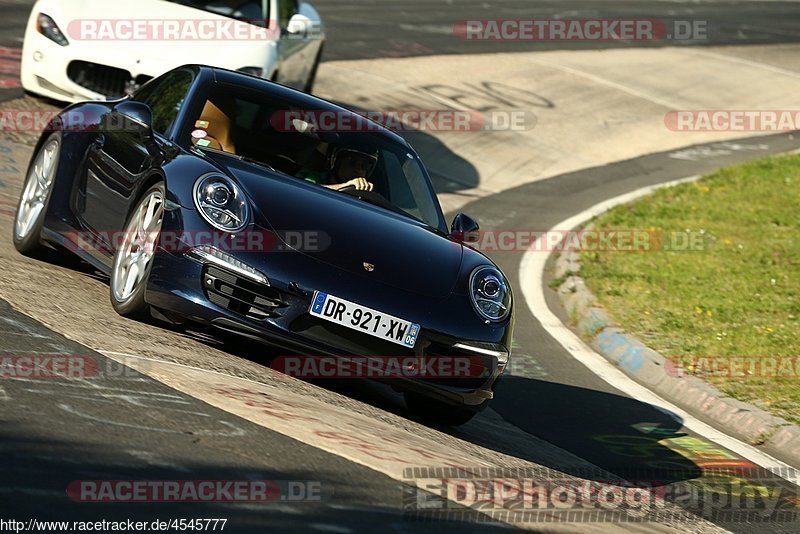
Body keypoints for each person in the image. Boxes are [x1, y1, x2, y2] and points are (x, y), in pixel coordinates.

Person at [298, 145, 379, 191]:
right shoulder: (312, 177)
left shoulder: (367, 195)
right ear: (336, 162)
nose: (358, 170)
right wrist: (345, 186)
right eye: (352, 162)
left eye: (364, 165)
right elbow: (301, 190)